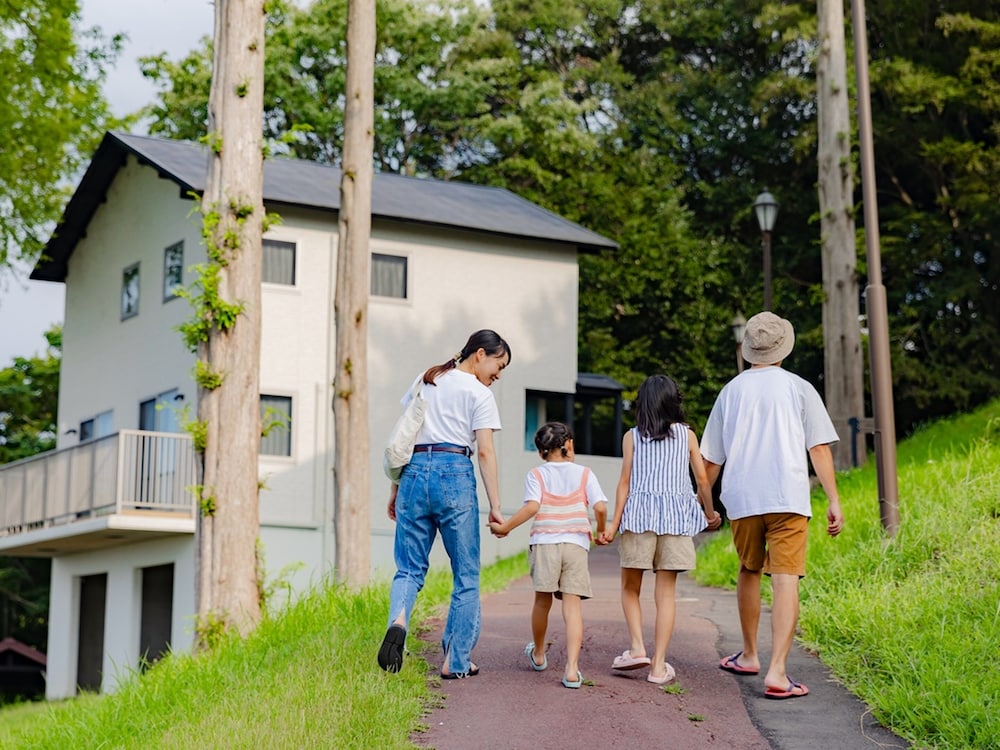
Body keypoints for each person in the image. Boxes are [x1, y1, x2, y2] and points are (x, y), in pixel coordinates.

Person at [700, 311, 844, 700]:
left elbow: (710, 460)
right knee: (785, 579)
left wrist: (702, 508)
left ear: (748, 350)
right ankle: (778, 672)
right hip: (788, 497)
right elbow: (818, 448)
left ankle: (749, 655)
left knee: (749, 568)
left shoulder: (731, 391)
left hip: (744, 498)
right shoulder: (799, 388)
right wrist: (833, 500)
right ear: (784, 349)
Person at [378, 329, 511, 679]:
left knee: (408, 568)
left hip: (414, 473)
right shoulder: (479, 395)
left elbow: (406, 437)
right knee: (465, 574)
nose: (498, 374)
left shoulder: (428, 379)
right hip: (454, 473)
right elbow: (484, 451)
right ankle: (456, 659)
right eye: (499, 365)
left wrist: (395, 489)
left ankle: (399, 619)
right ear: (480, 354)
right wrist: (496, 505)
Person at [599, 374, 722, 685]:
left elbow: (624, 484)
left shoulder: (631, 437)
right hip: (676, 520)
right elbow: (702, 481)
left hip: (639, 517)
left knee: (630, 588)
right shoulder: (688, 436)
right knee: (666, 594)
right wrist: (709, 513)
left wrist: (613, 524)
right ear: (673, 401)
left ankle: (638, 648)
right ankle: (658, 666)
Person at [489, 422, 608, 689]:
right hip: (575, 544)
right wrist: (601, 530)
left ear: (542, 453)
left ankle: (540, 654)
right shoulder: (585, 474)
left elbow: (532, 506)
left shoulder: (536, 474)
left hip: (545, 543)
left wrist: (505, 528)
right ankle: (572, 670)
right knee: (572, 605)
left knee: (542, 601)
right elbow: (600, 507)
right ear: (569, 445)